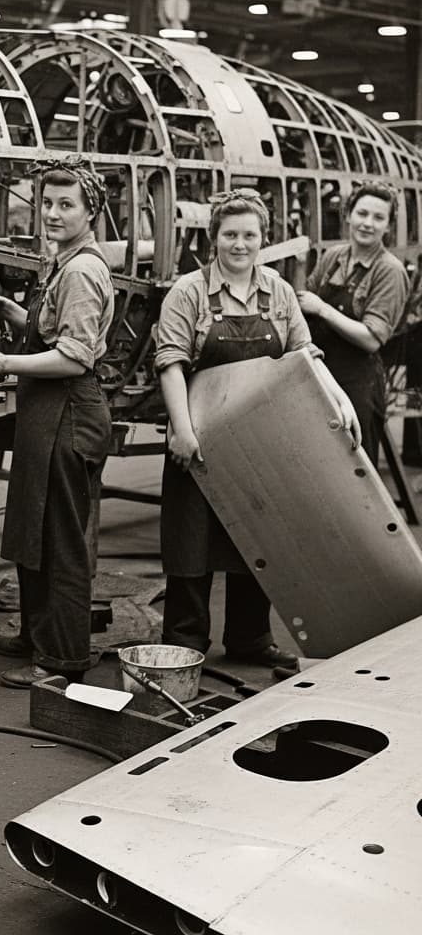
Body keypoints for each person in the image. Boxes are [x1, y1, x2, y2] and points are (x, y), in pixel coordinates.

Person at [155, 189, 360, 668]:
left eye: (249, 235)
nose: (240, 244)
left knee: (260, 539)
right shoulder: (189, 292)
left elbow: (304, 355)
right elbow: (171, 365)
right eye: (230, 234)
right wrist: (182, 431)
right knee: (192, 544)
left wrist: (339, 398)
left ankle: (249, 638)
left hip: (258, 443)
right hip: (201, 437)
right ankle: (184, 643)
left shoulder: (278, 291)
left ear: (263, 240)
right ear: (214, 239)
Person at [0, 155, 114, 690]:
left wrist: (3, 363)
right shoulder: (63, 261)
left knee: (60, 541)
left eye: (65, 205)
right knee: (36, 529)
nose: (52, 214)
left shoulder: (80, 270)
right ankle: (36, 635)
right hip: (45, 414)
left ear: (91, 210)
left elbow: (75, 356)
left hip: (68, 414)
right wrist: (14, 312)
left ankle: (62, 657)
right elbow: (54, 332)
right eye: (47, 203)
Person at [297, 182, 410, 465]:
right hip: (320, 377)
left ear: (388, 226)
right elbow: (304, 305)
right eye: (362, 214)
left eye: (378, 218)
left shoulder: (390, 271)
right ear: (348, 215)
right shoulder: (334, 256)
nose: (368, 223)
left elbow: (372, 338)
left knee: (353, 469)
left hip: (358, 384)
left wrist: (323, 309)